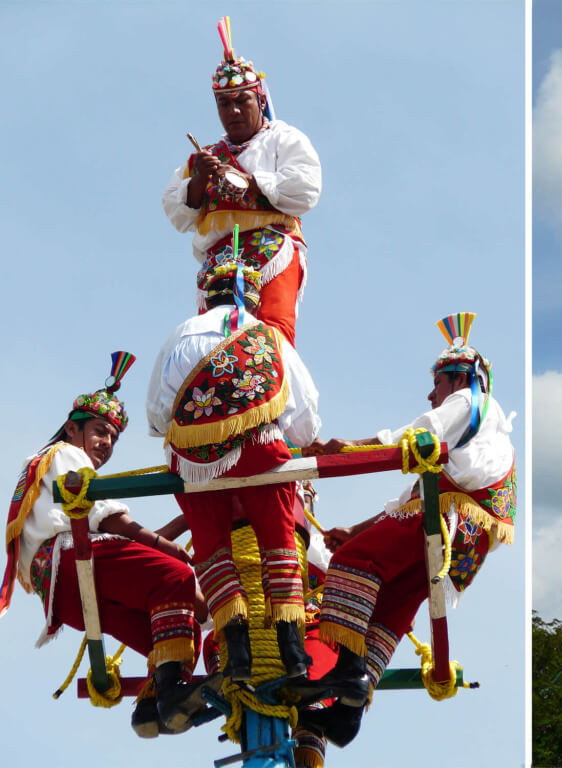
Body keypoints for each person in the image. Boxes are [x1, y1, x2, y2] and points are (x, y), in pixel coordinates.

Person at [296, 313, 516, 748]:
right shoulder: (476, 447)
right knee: (388, 606)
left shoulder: (471, 402)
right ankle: (348, 712)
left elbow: (420, 432)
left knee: (351, 561)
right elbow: (412, 496)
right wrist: (357, 527)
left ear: (459, 378)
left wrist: (352, 446)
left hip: (444, 521)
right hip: (461, 545)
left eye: (437, 383)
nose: (431, 393)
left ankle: (350, 671)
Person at [1, 357, 207, 736]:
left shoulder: (44, 469)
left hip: (65, 596)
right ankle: (186, 681)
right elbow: (106, 518)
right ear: (70, 428)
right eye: (99, 431)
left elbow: (120, 538)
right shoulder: (63, 455)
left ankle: (153, 705)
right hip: (77, 558)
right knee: (177, 577)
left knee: (171, 632)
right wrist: (166, 548)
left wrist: (185, 523)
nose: (106, 443)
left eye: (113, 437)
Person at [147, 260, 321, 684]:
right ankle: (292, 648)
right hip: (261, 452)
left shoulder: (179, 334)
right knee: (279, 542)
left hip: (193, 462)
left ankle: (238, 650)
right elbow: (306, 421)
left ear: (206, 294)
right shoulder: (268, 335)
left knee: (211, 550)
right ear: (253, 298)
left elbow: (155, 417)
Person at [162, 16, 322, 346]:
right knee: (210, 339)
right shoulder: (203, 156)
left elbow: (306, 187)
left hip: (272, 248)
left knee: (273, 331)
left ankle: (277, 393)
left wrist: (247, 182)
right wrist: (200, 181)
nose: (233, 111)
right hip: (219, 259)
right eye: (224, 103)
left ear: (260, 101)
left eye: (242, 101)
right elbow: (175, 212)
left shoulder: (284, 139)